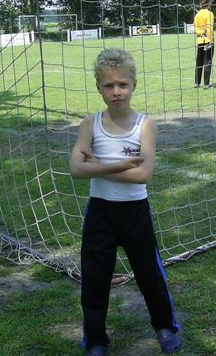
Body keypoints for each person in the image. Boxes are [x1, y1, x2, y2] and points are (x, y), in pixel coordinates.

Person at [70, 48, 182, 356]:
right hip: (100, 212)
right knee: (95, 279)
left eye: (122, 84)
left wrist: (99, 165)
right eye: (109, 85)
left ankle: (164, 327)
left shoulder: (145, 126)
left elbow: (143, 174)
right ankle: (95, 339)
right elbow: (77, 170)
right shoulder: (89, 125)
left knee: (150, 275)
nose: (116, 91)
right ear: (98, 87)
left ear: (134, 85)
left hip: (135, 213)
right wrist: (120, 165)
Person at [194, 0, 215, 89]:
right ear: (209, 3)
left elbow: (196, 29)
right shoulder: (209, 14)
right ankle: (206, 84)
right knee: (208, 62)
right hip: (208, 41)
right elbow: (209, 28)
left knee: (199, 62)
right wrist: (209, 40)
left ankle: (197, 83)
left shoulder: (197, 15)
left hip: (199, 41)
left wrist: (201, 34)